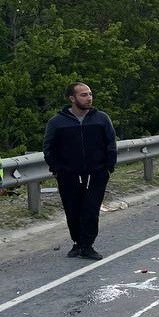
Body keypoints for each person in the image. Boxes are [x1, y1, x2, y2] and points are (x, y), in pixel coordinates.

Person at [42, 82, 117, 260]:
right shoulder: (57, 122)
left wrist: (108, 167)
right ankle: (78, 243)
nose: (89, 97)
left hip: (96, 173)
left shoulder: (101, 118)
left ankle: (88, 245)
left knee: (90, 210)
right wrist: (57, 169)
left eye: (90, 94)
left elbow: (111, 143)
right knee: (72, 210)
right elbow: (48, 148)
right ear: (72, 98)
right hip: (68, 175)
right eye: (83, 94)